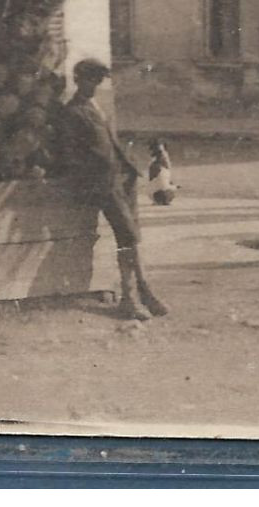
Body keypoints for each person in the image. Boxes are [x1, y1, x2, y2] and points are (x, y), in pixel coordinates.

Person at [57, 59, 168, 321]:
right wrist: (91, 180)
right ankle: (134, 295)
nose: (94, 85)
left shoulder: (96, 105)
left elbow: (111, 144)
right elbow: (71, 156)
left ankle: (140, 293)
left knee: (131, 236)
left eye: (97, 80)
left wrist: (128, 171)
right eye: (89, 80)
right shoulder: (72, 113)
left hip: (120, 179)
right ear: (77, 80)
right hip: (101, 185)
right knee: (128, 236)